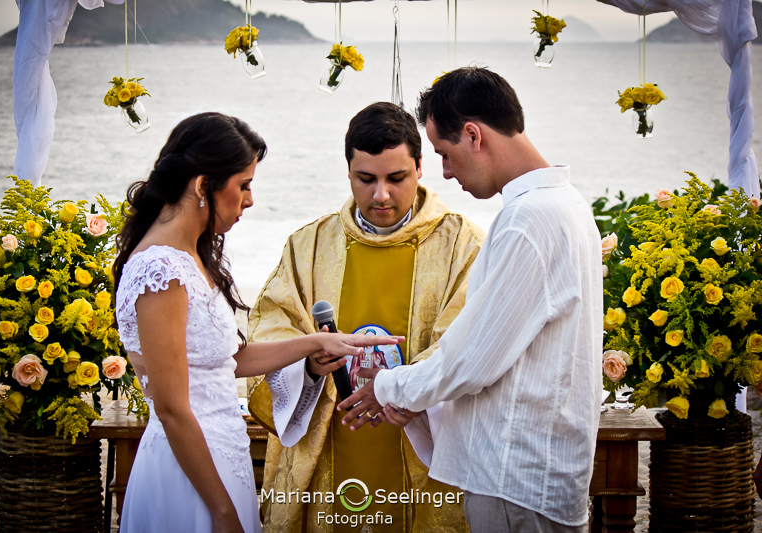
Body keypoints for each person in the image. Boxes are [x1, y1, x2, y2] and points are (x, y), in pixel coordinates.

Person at [338, 68, 603, 533]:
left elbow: (473, 359)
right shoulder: (568, 205)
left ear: (474, 135)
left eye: (444, 153)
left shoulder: (529, 219)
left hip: (515, 478)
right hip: (540, 469)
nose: (444, 171)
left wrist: (388, 387)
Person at [112, 112, 401, 533]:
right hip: (189, 471)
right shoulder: (161, 271)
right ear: (202, 186)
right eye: (244, 185)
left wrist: (318, 343)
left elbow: (230, 360)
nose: (249, 199)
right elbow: (172, 410)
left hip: (221, 456)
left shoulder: (191, 256)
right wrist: (222, 511)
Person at [247, 102, 483, 532]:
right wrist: (308, 363)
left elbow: (471, 340)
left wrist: (405, 391)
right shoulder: (309, 246)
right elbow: (271, 326)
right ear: (348, 172)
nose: (381, 196)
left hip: (420, 440)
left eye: (397, 178)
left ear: (420, 167)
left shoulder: (463, 246)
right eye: (366, 179)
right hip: (331, 438)